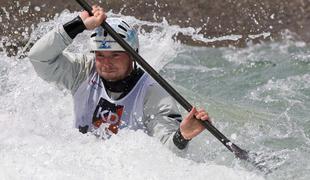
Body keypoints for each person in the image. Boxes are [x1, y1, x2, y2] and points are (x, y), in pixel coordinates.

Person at [28, 5, 210, 152]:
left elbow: (168, 149)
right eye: (100, 55)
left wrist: (182, 136)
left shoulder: (153, 92)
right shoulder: (82, 71)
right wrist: (78, 25)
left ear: (133, 55)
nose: (106, 63)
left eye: (115, 55)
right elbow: (38, 58)